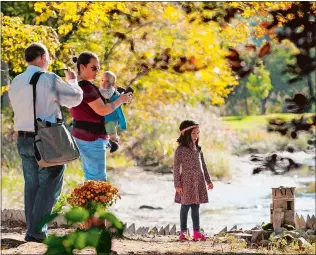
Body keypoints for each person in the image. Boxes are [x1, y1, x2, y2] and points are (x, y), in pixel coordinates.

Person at [8, 42, 83, 242]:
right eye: (48, 57)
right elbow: (73, 99)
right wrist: (73, 82)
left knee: (32, 185)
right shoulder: (48, 78)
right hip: (46, 138)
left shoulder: (16, 80)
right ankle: (36, 231)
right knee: (51, 181)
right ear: (42, 57)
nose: (49, 61)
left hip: (23, 138)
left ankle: (32, 231)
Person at [70, 52, 132, 181]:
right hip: (91, 138)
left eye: (98, 68)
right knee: (97, 181)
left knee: (91, 179)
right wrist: (120, 100)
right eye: (94, 68)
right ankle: (95, 202)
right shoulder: (86, 88)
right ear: (82, 67)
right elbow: (103, 110)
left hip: (84, 135)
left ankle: (90, 201)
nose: (97, 71)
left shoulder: (77, 85)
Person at [173, 120, 214, 241]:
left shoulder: (198, 149)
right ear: (186, 134)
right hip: (186, 181)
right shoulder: (180, 150)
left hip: (198, 181)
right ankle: (183, 233)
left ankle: (196, 232)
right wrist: (177, 185)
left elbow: (204, 166)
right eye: (193, 134)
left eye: (197, 133)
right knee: (185, 206)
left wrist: (208, 181)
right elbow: (176, 168)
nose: (196, 136)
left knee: (196, 207)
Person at [99, 71, 131, 153]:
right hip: (102, 118)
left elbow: (119, 109)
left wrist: (123, 123)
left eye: (107, 81)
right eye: (102, 80)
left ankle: (114, 142)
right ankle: (107, 143)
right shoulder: (98, 92)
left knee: (111, 130)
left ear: (112, 84)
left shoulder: (115, 95)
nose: (103, 83)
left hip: (111, 118)